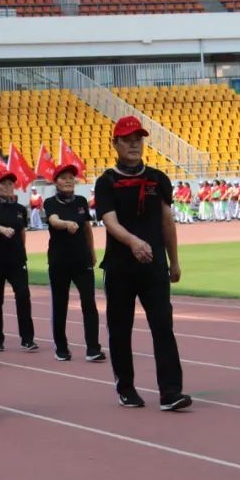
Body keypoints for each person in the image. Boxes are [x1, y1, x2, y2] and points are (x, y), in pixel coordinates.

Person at [95, 116, 190, 411]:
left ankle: (170, 392)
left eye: (138, 138)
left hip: (154, 268)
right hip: (120, 268)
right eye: (127, 139)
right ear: (116, 143)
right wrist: (134, 242)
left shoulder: (158, 178)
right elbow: (109, 221)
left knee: (163, 326)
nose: (134, 144)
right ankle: (126, 387)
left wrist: (174, 261)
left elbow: (167, 221)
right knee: (120, 328)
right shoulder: (106, 181)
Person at [44, 163, 105, 363]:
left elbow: (86, 227)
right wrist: (66, 224)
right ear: (56, 182)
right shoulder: (50, 202)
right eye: (63, 178)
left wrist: (92, 251)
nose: (68, 181)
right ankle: (61, 347)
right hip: (59, 262)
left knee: (89, 303)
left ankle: (93, 348)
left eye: (71, 178)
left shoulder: (80, 201)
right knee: (60, 305)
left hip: (82, 260)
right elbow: (53, 220)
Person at [0, 169, 35, 353]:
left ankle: (27, 338)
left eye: (10, 183)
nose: (7, 187)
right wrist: (2, 229)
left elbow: (22, 232)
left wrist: (22, 250)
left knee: (23, 296)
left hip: (17, 260)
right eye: (3, 183)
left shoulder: (20, 209)